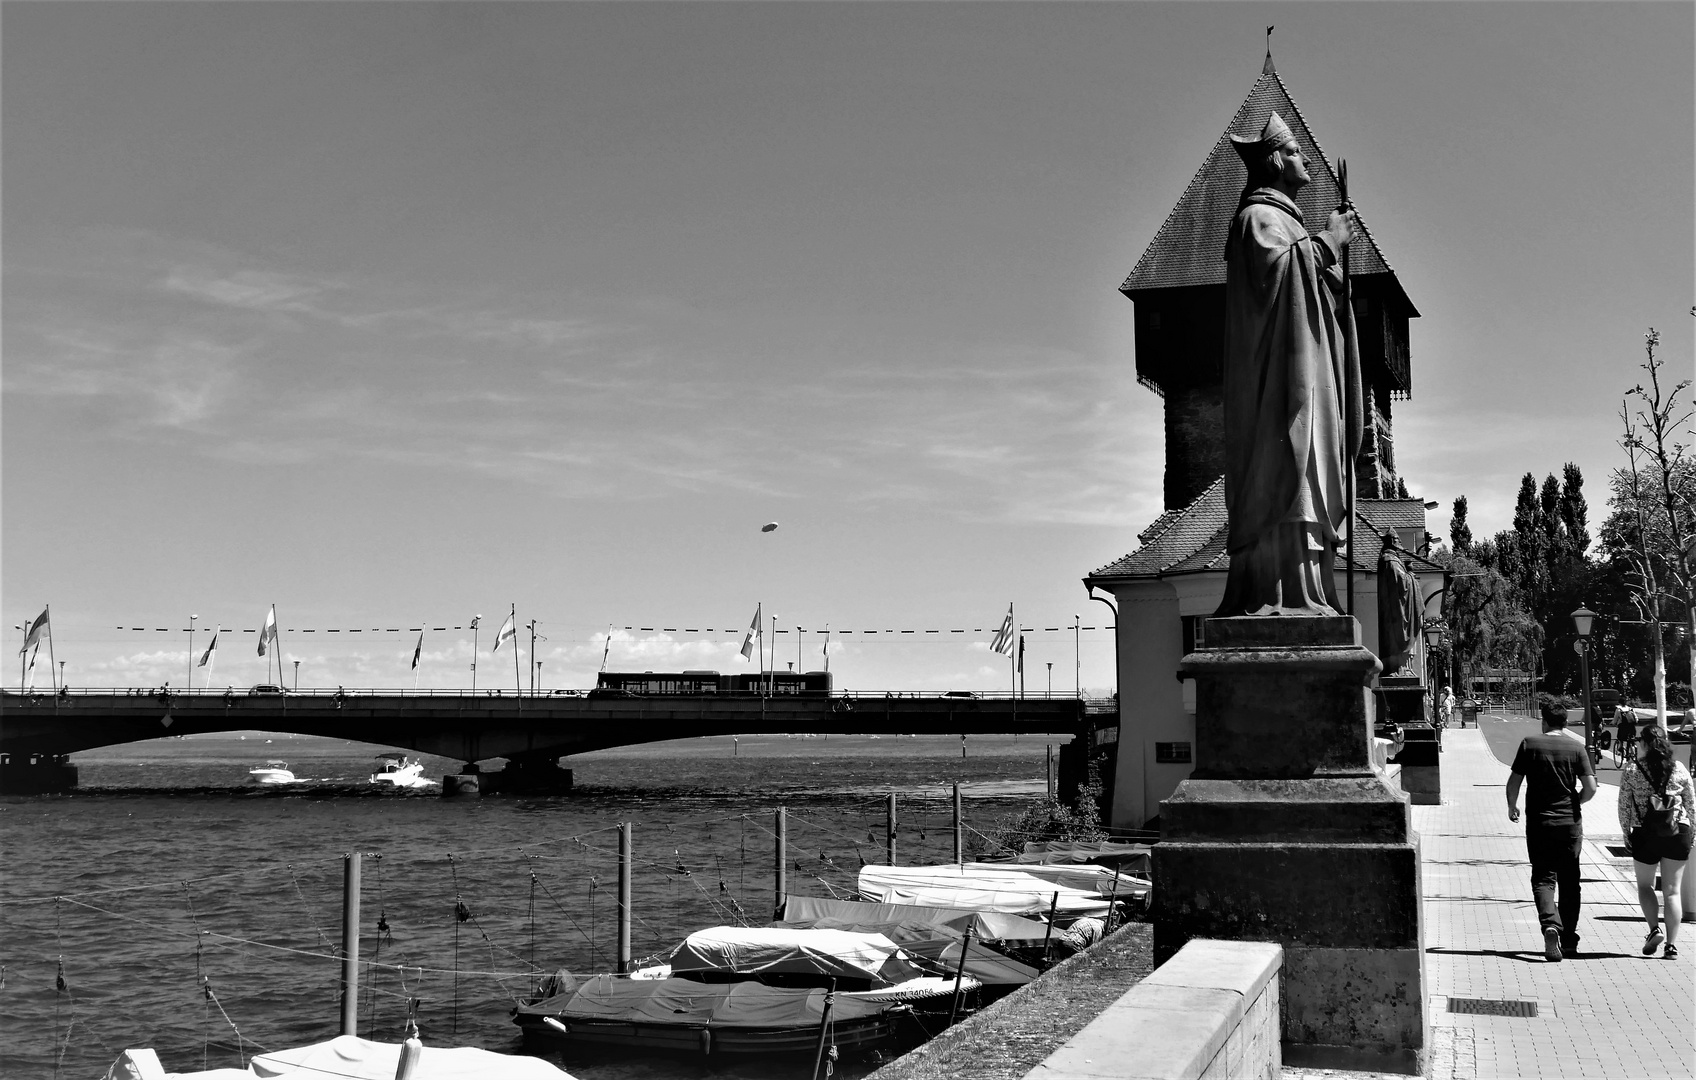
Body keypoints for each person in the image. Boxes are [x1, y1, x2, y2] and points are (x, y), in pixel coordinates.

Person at [1213, 112, 1361, 617]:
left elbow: (1313, 302)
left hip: (1310, 390)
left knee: (1311, 483)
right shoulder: (1258, 219)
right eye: (1297, 152)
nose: (1306, 163)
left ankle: (1309, 591)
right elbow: (1276, 278)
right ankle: (1282, 594)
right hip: (1280, 398)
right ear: (1276, 160)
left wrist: (1336, 278)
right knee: (1288, 475)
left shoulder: (1287, 224)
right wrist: (1324, 244)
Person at [1506, 699, 1597, 961]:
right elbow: (1590, 787)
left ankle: (1550, 925)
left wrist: (1512, 807)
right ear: (1565, 723)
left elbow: (1514, 781)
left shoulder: (1529, 744)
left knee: (1544, 877)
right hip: (1569, 824)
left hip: (1540, 823)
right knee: (1570, 881)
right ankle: (1568, 940)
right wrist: (1574, 803)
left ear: (1544, 721)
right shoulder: (1576, 747)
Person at [1618, 724, 1695, 959]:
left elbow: (1624, 806)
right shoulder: (1679, 768)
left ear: (1643, 743)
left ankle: (1654, 929)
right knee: (1672, 891)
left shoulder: (1632, 769)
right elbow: (1691, 803)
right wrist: (1692, 833)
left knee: (1645, 886)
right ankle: (1671, 946)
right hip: (1677, 832)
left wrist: (1626, 833)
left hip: (1644, 833)